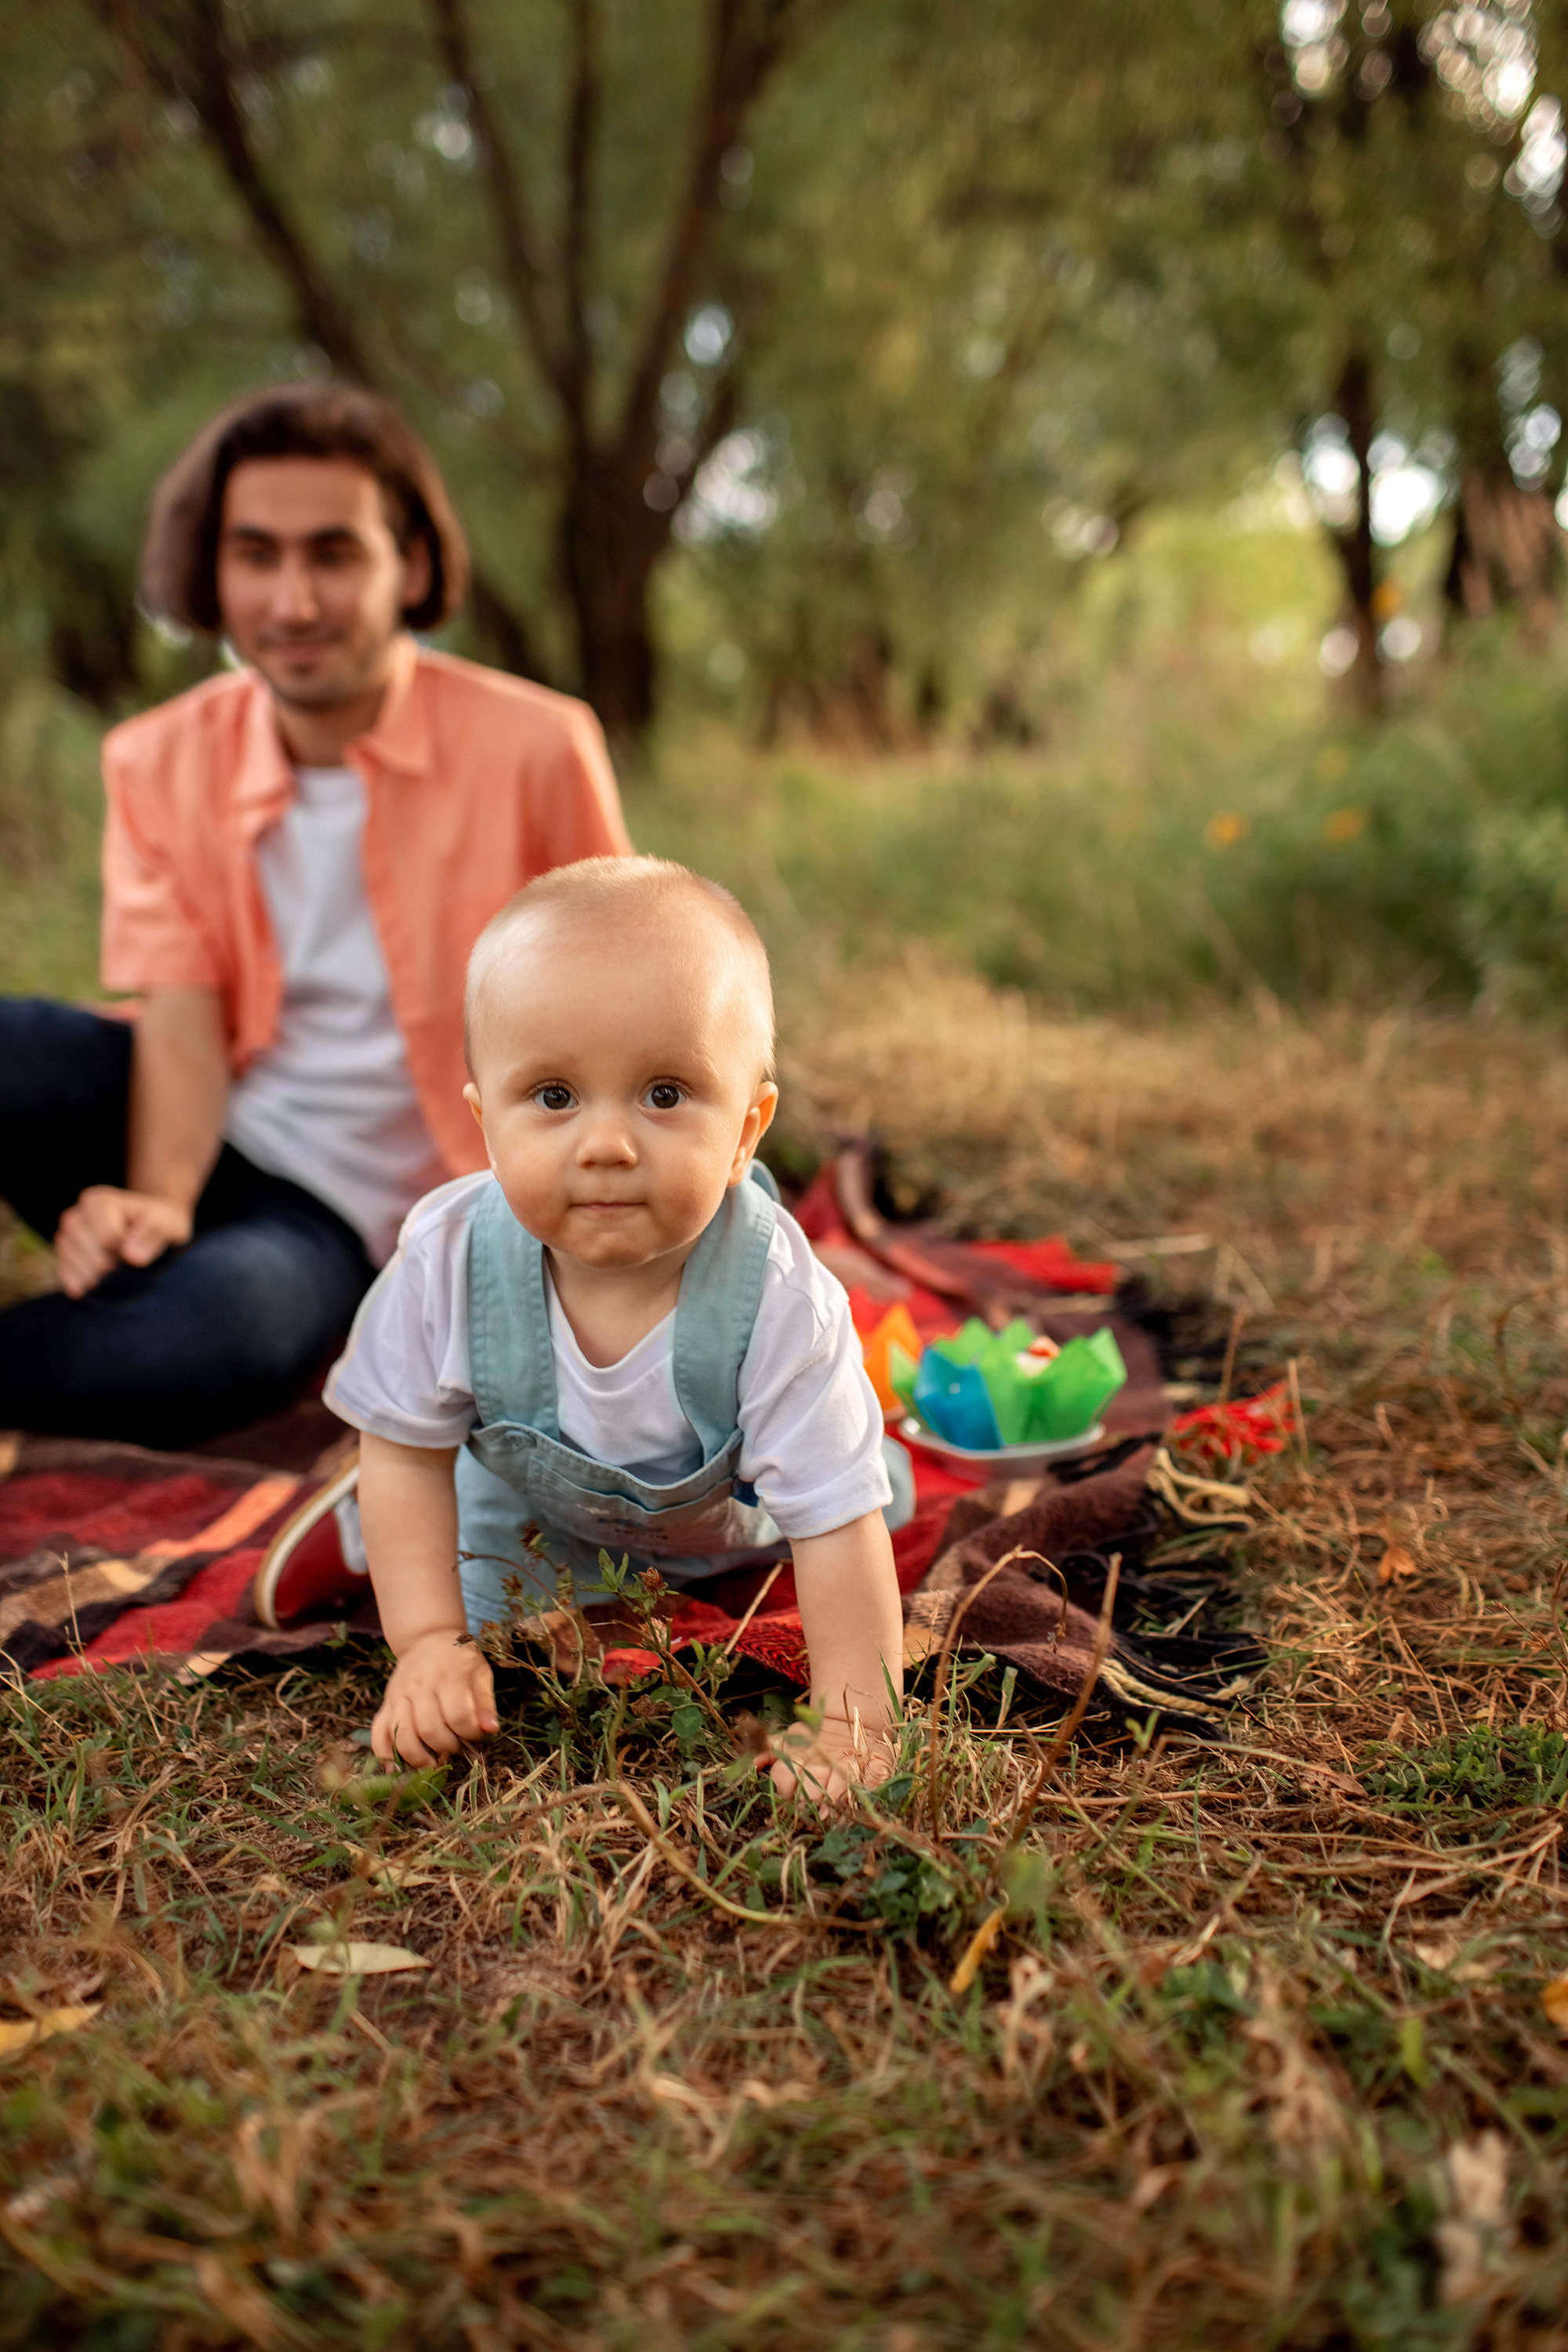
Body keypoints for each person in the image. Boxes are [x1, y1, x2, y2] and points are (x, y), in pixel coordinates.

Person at [0, 383, 630, 1457]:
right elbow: (182, 1006)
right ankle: (148, 1266)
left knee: (214, 1334)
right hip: (213, 1125)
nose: (291, 602)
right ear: (215, 571)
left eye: (333, 555)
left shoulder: (538, 747)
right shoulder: (156, 759)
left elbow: (625, 1007)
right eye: (256, 556)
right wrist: (156, 1199)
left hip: (359, 1220)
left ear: (412, 566)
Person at [321, 857, 907, 1802]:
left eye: (664, 1094)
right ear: (484, 1122)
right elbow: (401, 1453)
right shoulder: (446, 1258)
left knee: (860, 1501)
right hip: (528, 1510)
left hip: (731, 1518)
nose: (604, 1144)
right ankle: (411, 1595)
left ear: (748, 1127)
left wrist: (852, 1724)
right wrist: (426, 1644)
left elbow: (833, 1526)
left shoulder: (778, 1299)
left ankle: (871, 1447)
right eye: (552, 1097)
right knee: (441, 1563)